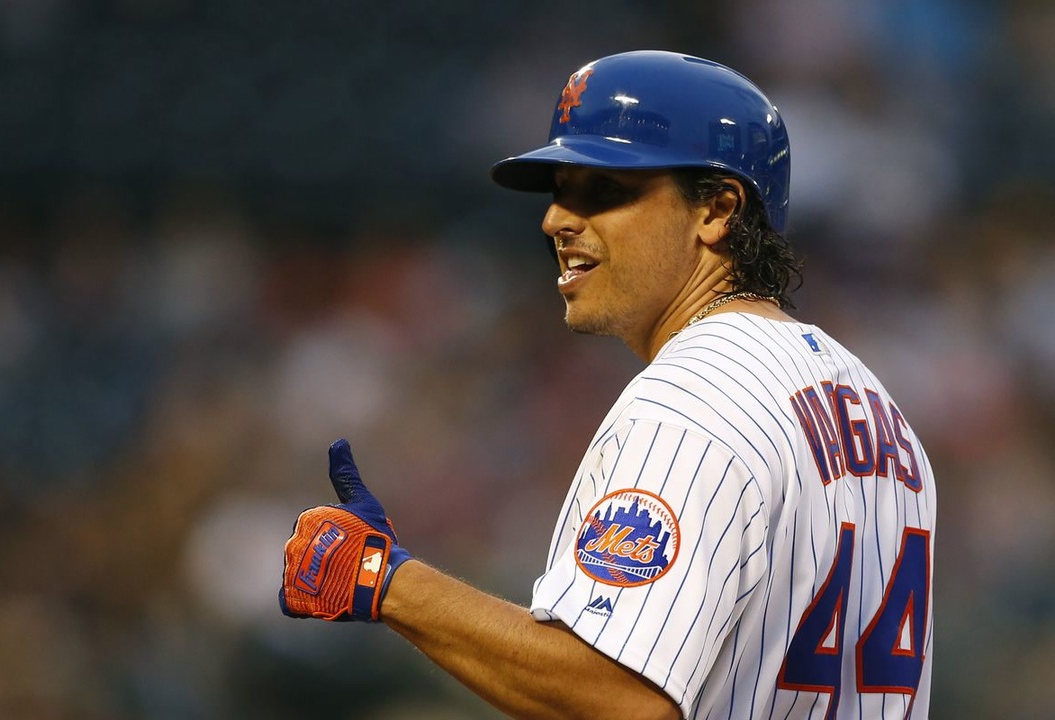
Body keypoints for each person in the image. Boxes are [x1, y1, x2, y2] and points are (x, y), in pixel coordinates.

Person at [280, 50, 936, 720]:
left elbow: (621, 698)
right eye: (561, 191)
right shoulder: (877, 410)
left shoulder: (691, 400)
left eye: (603, 190)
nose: (556, 220)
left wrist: (386, 582)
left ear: (717, 210)